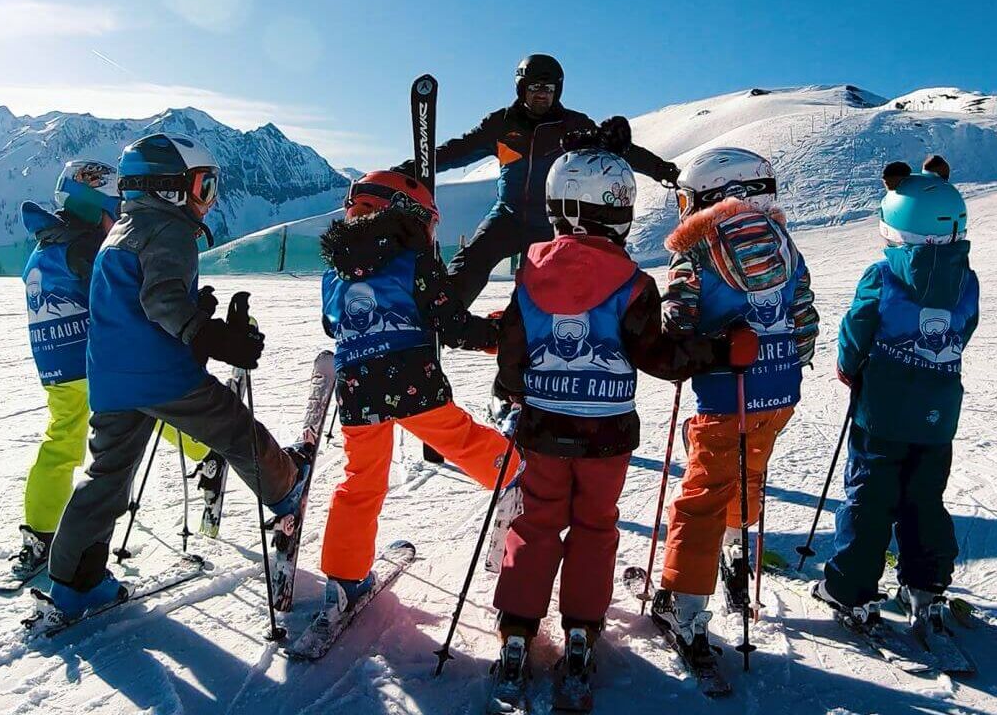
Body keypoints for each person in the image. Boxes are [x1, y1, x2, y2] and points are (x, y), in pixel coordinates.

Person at [485, 149, 754, 697]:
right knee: (595, 526)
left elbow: (512, 354)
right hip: (605, 435)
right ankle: (581, 630)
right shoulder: (633, 282)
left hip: (543, 429)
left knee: (536, 523)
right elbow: (661, 357)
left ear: (558, 207)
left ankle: (517, 631)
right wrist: (723, 350)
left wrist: (513, 388)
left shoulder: (529, 271)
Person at [42, 132, 310, 619]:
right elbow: (160, 299)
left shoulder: (121, 230)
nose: (209, 202)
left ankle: (73, 581)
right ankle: (286, 486)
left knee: (107, 476)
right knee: (233, 428)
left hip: (111, 381)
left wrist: (197, 313)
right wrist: (207, 334)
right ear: (168, 187)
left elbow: (133, 299)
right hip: (162, 375)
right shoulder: (170, 229)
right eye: (203, 187)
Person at [314, 170, 518, 627]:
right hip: (410, 379)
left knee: (360, 480)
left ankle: (344, 582)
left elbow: (332, 326)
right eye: (428, 224)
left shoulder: (332, 271)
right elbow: (451, 321)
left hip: (356, 386)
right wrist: (496, 335)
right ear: (406, 217)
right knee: (458, 438)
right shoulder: (414, 261)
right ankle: (516, 472)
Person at [648, 147, 820, 654]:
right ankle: (735, 549)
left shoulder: (697, 250)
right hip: (778, 391)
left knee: (702, 492)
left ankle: (685, 605)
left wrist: (689, 348)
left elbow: (678, 318)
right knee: (748, 471)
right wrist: (789, 358)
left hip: (726, 392)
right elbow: (804, 313)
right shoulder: (785, 244)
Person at [814, 156, 978, 642]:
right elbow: (963, 328)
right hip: (938, 413)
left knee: (870, 496)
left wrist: (848, 366)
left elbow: (857, 328)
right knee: (925, 496)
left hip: (881, 411)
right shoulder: (967, 279)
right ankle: (925, 586)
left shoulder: (882, 275)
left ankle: (852, 589)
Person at [398, 53, 682, 307]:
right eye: (535, 88)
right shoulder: (502, 123)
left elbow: (621, 151)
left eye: (548, 89)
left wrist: (662, 170)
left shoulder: (573, 125)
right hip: (507, 216)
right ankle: (444, 315)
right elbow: (457, 150)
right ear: (522, 89)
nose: (542, 95)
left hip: (552, 223)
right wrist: (412, 167)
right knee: (471, 261)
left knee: (547, 286)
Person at [0, 160, 121, 587]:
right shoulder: (85, 246)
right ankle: (206, 456)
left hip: (55, 363)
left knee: (61, 440)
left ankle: (40, 532)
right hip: (89, 358)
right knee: (145, 407)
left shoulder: (44, 244)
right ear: (96, 209)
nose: (117, 221)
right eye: (114, 211)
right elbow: (112, 298)